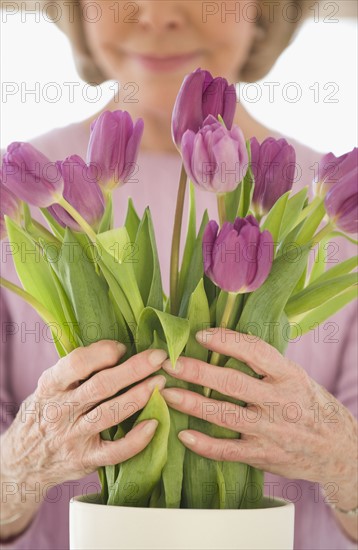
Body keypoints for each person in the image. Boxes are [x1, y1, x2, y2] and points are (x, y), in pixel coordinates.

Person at [0, 1, 357, 549]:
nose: (161, 14)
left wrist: (343, 460)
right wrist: (19, 469)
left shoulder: (330, 199)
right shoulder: (18, 200)